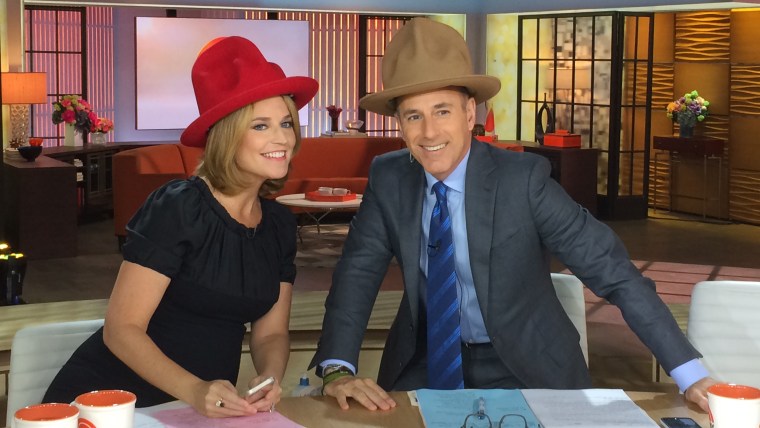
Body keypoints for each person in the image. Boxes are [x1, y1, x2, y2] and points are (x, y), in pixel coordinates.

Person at [309, 17, 717, 413]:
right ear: (399, 124)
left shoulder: (523, 179)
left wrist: (690, 373)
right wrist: (336, 368)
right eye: (414, 116)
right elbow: (357, 275)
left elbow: (611, 270)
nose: (429, 133)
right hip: (424, 362)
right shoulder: (390, 176)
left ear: (470, 114)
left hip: (526, 365)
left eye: (443, 111)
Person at [44, 36, 318, 418]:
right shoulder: (179, 207)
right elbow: (121, 329)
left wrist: (269, 377)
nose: (282, 138)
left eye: (286, 122)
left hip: (197, 409)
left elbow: (270, 333)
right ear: (227, 135)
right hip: (111, 404)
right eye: (261, 125)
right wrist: (194, 389)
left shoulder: (278, 226)